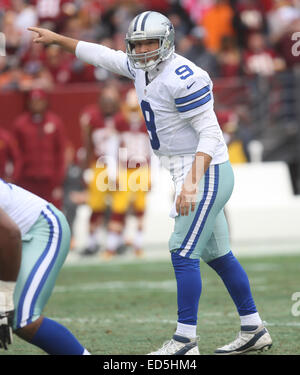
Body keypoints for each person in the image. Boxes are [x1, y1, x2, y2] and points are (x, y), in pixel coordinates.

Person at [28, 11, 273, 355]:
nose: (141, 50)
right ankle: (253, 328)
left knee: (182, 251)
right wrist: (59, 40)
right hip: (185, 168)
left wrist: (190, 183)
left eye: (149, 43)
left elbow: (211, 135)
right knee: (218, 256)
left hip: (205, 170)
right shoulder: (141, 66)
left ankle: (186, 341)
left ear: (168, 42)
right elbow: (102, 54)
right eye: (136, 43)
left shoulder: (184, 76)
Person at [0, 178, 90, 354]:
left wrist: (5, 295)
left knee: (24, 318)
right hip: (12, 239)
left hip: (41, 228)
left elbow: (10, 233)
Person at [13, 88, 66, 209]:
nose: (37, 104)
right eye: (33, 101)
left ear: (45, 102)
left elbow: (61, 152)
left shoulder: (55, 122)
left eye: (40, 101)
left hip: (49, 179)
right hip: (27, 179)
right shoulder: (20, 124)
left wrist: (59, 180)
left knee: (52, 212)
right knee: (27, 212)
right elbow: (16, 154)